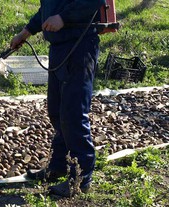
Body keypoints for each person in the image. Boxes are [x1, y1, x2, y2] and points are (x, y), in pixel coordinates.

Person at [10, 0, 106, 197]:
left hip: (80, 47)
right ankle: (59, 166)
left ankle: (81, 178)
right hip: (59, 48)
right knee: (56, 110)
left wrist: (63, 18)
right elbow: (47, 9)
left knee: (73, 115)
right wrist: (25, 32)